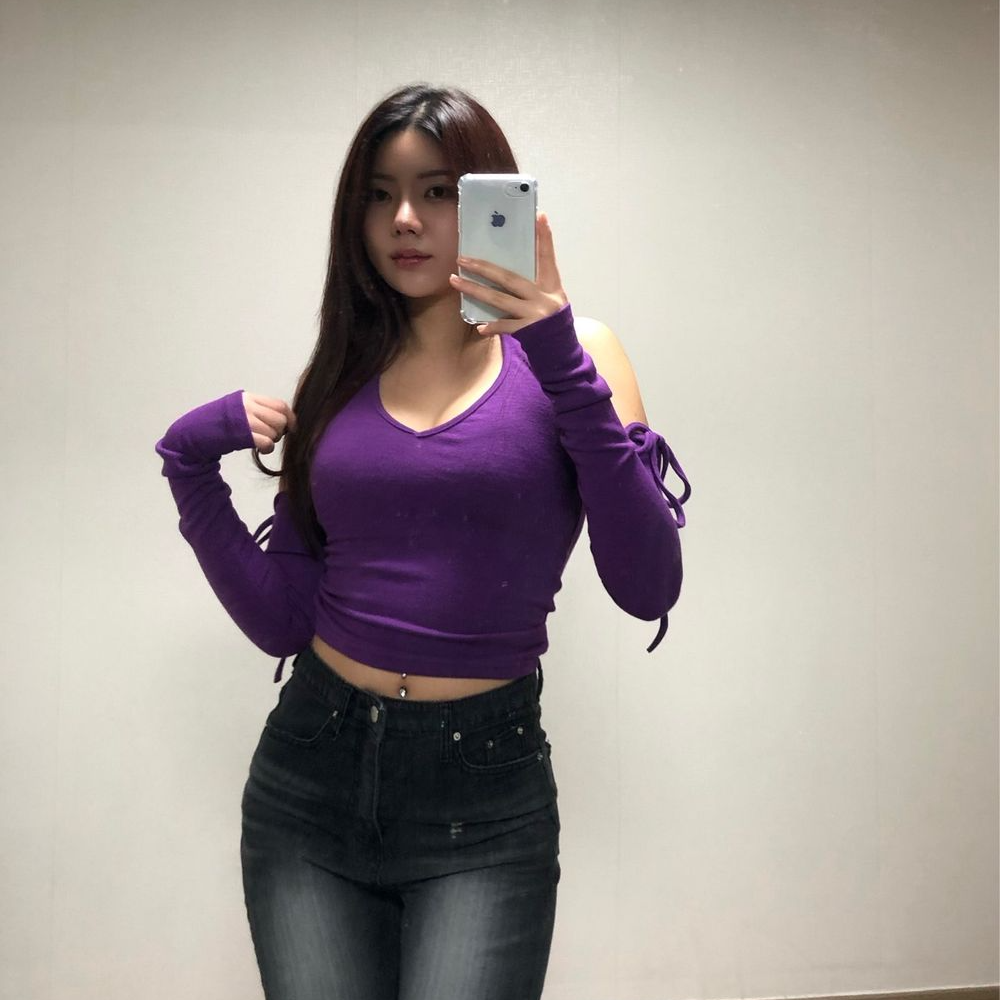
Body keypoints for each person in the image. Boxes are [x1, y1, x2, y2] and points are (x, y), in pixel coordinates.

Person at [154, 83, 690, 1000]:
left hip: (485, 797)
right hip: (309, 777)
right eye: (379, 193)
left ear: (489, 200)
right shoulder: (338, 377)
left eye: (438, 190)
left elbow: (648, 584)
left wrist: (556, 351)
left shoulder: (581, 353)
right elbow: (283, 621)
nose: (403, 218)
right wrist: (189, 463)